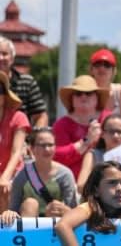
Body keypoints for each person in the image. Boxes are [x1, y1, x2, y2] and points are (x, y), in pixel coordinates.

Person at [0, 127, 77, 224]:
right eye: (42, 145)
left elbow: (74, 210)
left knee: (55, 208)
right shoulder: (22, 174)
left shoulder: (65, 174)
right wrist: (8, 213)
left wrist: (63, 209)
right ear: (31, 148)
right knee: (30, 204)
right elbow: (13, 208)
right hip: (28, 222)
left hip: (58, 225)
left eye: (50, 145)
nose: (47, 149)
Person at [77, 114, 121, 207]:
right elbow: (81, 186)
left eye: (119, 131)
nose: (115, 135)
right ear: (102, 134)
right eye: (111, 131)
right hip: (97, 205)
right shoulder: (92, 155)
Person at [52, 75, 112, 179]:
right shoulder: (62, 124)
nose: (83, 96)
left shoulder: (109, 119)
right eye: (78, 94)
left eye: (89, 93)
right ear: (72, 100)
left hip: (107, 180)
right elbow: (55, 156)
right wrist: (86, 141)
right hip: (72, 183)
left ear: (97, 98)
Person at [0, 72, 32, 211]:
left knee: (4, 189)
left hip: (14, 174)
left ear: (4, 96)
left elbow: (16, 152)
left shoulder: (18, 117)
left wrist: (4, 177)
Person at [0, 36, 48, 127]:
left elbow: (40, 116)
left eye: (4, 54)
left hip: (21, 135)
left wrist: (35, 138)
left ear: (12, 58)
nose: (0, 58)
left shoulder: (27, 82)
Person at [89, 48, 121, 141]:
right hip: (91, 144)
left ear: (114, 71)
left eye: (107, 65)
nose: (102, 68)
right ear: (91, 70)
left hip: (116, 145)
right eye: (97, 64)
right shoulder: (84, 92)